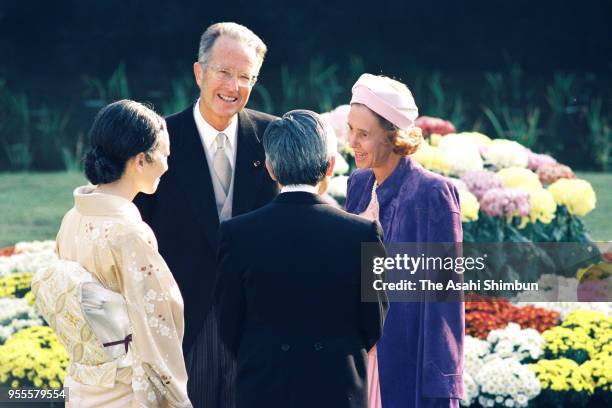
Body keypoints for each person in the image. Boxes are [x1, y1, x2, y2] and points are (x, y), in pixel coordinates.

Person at [133, 22, 279, 407]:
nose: (233, 87)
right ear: (199, 72)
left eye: (245, 77)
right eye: (224, 72)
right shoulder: (158, 139)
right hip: (181, 325)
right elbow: (135, 231)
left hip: (255, 327)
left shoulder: (273, 137)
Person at [213, 110, 388, 408]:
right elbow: (374, 321)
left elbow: (228, 321)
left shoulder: (237, 233)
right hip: (337, 385)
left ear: (270, 167)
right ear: (330, 165)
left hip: (263, 385)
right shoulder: (363, 233)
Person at [52, 100, 191, 407]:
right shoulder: (129, 234)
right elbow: (157, 326)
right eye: (164, 155)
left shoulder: (72, 219)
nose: (167, 166)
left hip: (83, 385)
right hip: (125, 391)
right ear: (140, 160)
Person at [345, 74, 464, 408]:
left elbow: (445, 298)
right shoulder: (357, 183)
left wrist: (443, 386)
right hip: (357, 357)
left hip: (403, 359)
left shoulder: (432, 193)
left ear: (393, 136)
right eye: (351, 129)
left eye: (363, 134)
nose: (352, 141)